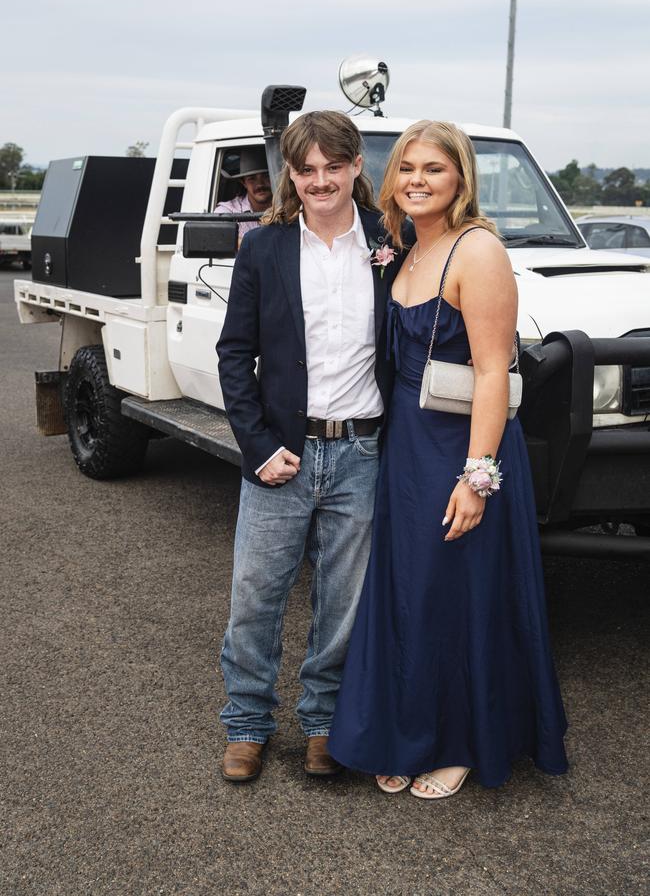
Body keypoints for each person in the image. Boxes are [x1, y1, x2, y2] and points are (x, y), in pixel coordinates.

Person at [328, 120, 568, 798]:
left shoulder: (477, 250)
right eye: (406, 168)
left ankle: (461, 742)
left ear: (460, 177)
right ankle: (407, 730)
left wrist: (478, 477)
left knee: (456, 594)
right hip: (405, 444)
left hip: (460, 447)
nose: (416, 181)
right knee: (408, 591)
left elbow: (495, 372)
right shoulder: (404, 247)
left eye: (433, 169)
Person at [216, 111, 401, 783]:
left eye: (334, 166)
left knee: (343, 603)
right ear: (291, 176)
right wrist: (259, 446)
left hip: (361, 453)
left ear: (356, 166)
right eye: (307, 170)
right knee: (254, 597)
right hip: (280, 457)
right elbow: (235, 356)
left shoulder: (391, 240)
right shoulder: (263, 249)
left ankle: (324, 722)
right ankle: (246, 725)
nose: (321, 181)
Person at [214, 147, 273, 243]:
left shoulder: (287, 207)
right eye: (252, 179)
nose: (260, 184)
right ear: (243, 182)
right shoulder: (229, 210)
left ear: (274, 178)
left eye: (266, 176)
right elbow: (216, 234)